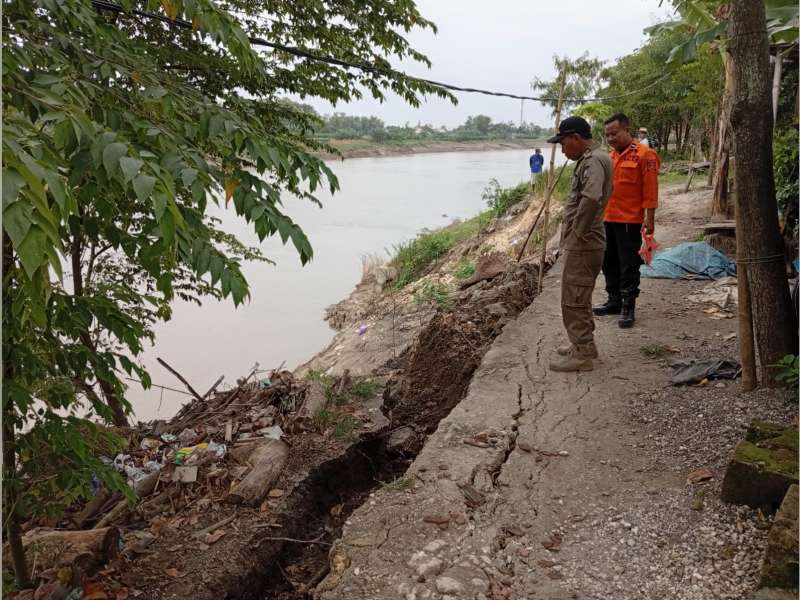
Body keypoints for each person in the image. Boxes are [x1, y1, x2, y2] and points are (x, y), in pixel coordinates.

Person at [546, 116, 613, 372]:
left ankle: (583, 353)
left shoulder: (593, 161)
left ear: (576, 138)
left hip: (585, 243)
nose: (563, 150)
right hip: (588, 241)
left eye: (564, 144)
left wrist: (577, 231)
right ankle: (584, 345)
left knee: (573, 299)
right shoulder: (595, 158)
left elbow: (591, 197)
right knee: (580, 296)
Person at [594, 113, 660, 328]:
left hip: (630, 221)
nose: (611, 138)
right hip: (607, 219)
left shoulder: (645, 154)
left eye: (614, 133)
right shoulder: (609, 157)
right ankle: (614, 301)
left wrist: (649, 218)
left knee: (628, 265)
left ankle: (628, 307)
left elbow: (650, 190)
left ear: (626, 130)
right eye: (607, 135)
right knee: (608, 262)